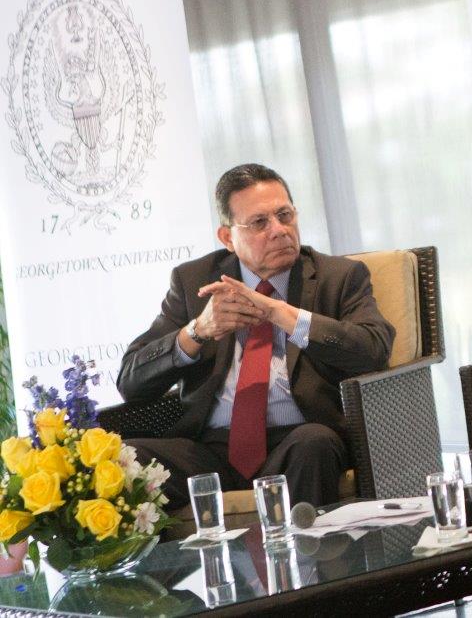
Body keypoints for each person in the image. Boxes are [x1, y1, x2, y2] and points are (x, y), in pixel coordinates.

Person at [117, 164, 394, 510]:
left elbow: (374, 348)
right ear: (227, 238)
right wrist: (197, 331)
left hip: (298, 440)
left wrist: (282, 314)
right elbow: (131, 381)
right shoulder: (193, 281)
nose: (279, 230)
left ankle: (306, 548)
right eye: (260, 223)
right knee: (126, 459)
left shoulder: (339, 277)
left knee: (314, 443)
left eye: (284, 215)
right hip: (211, 450)